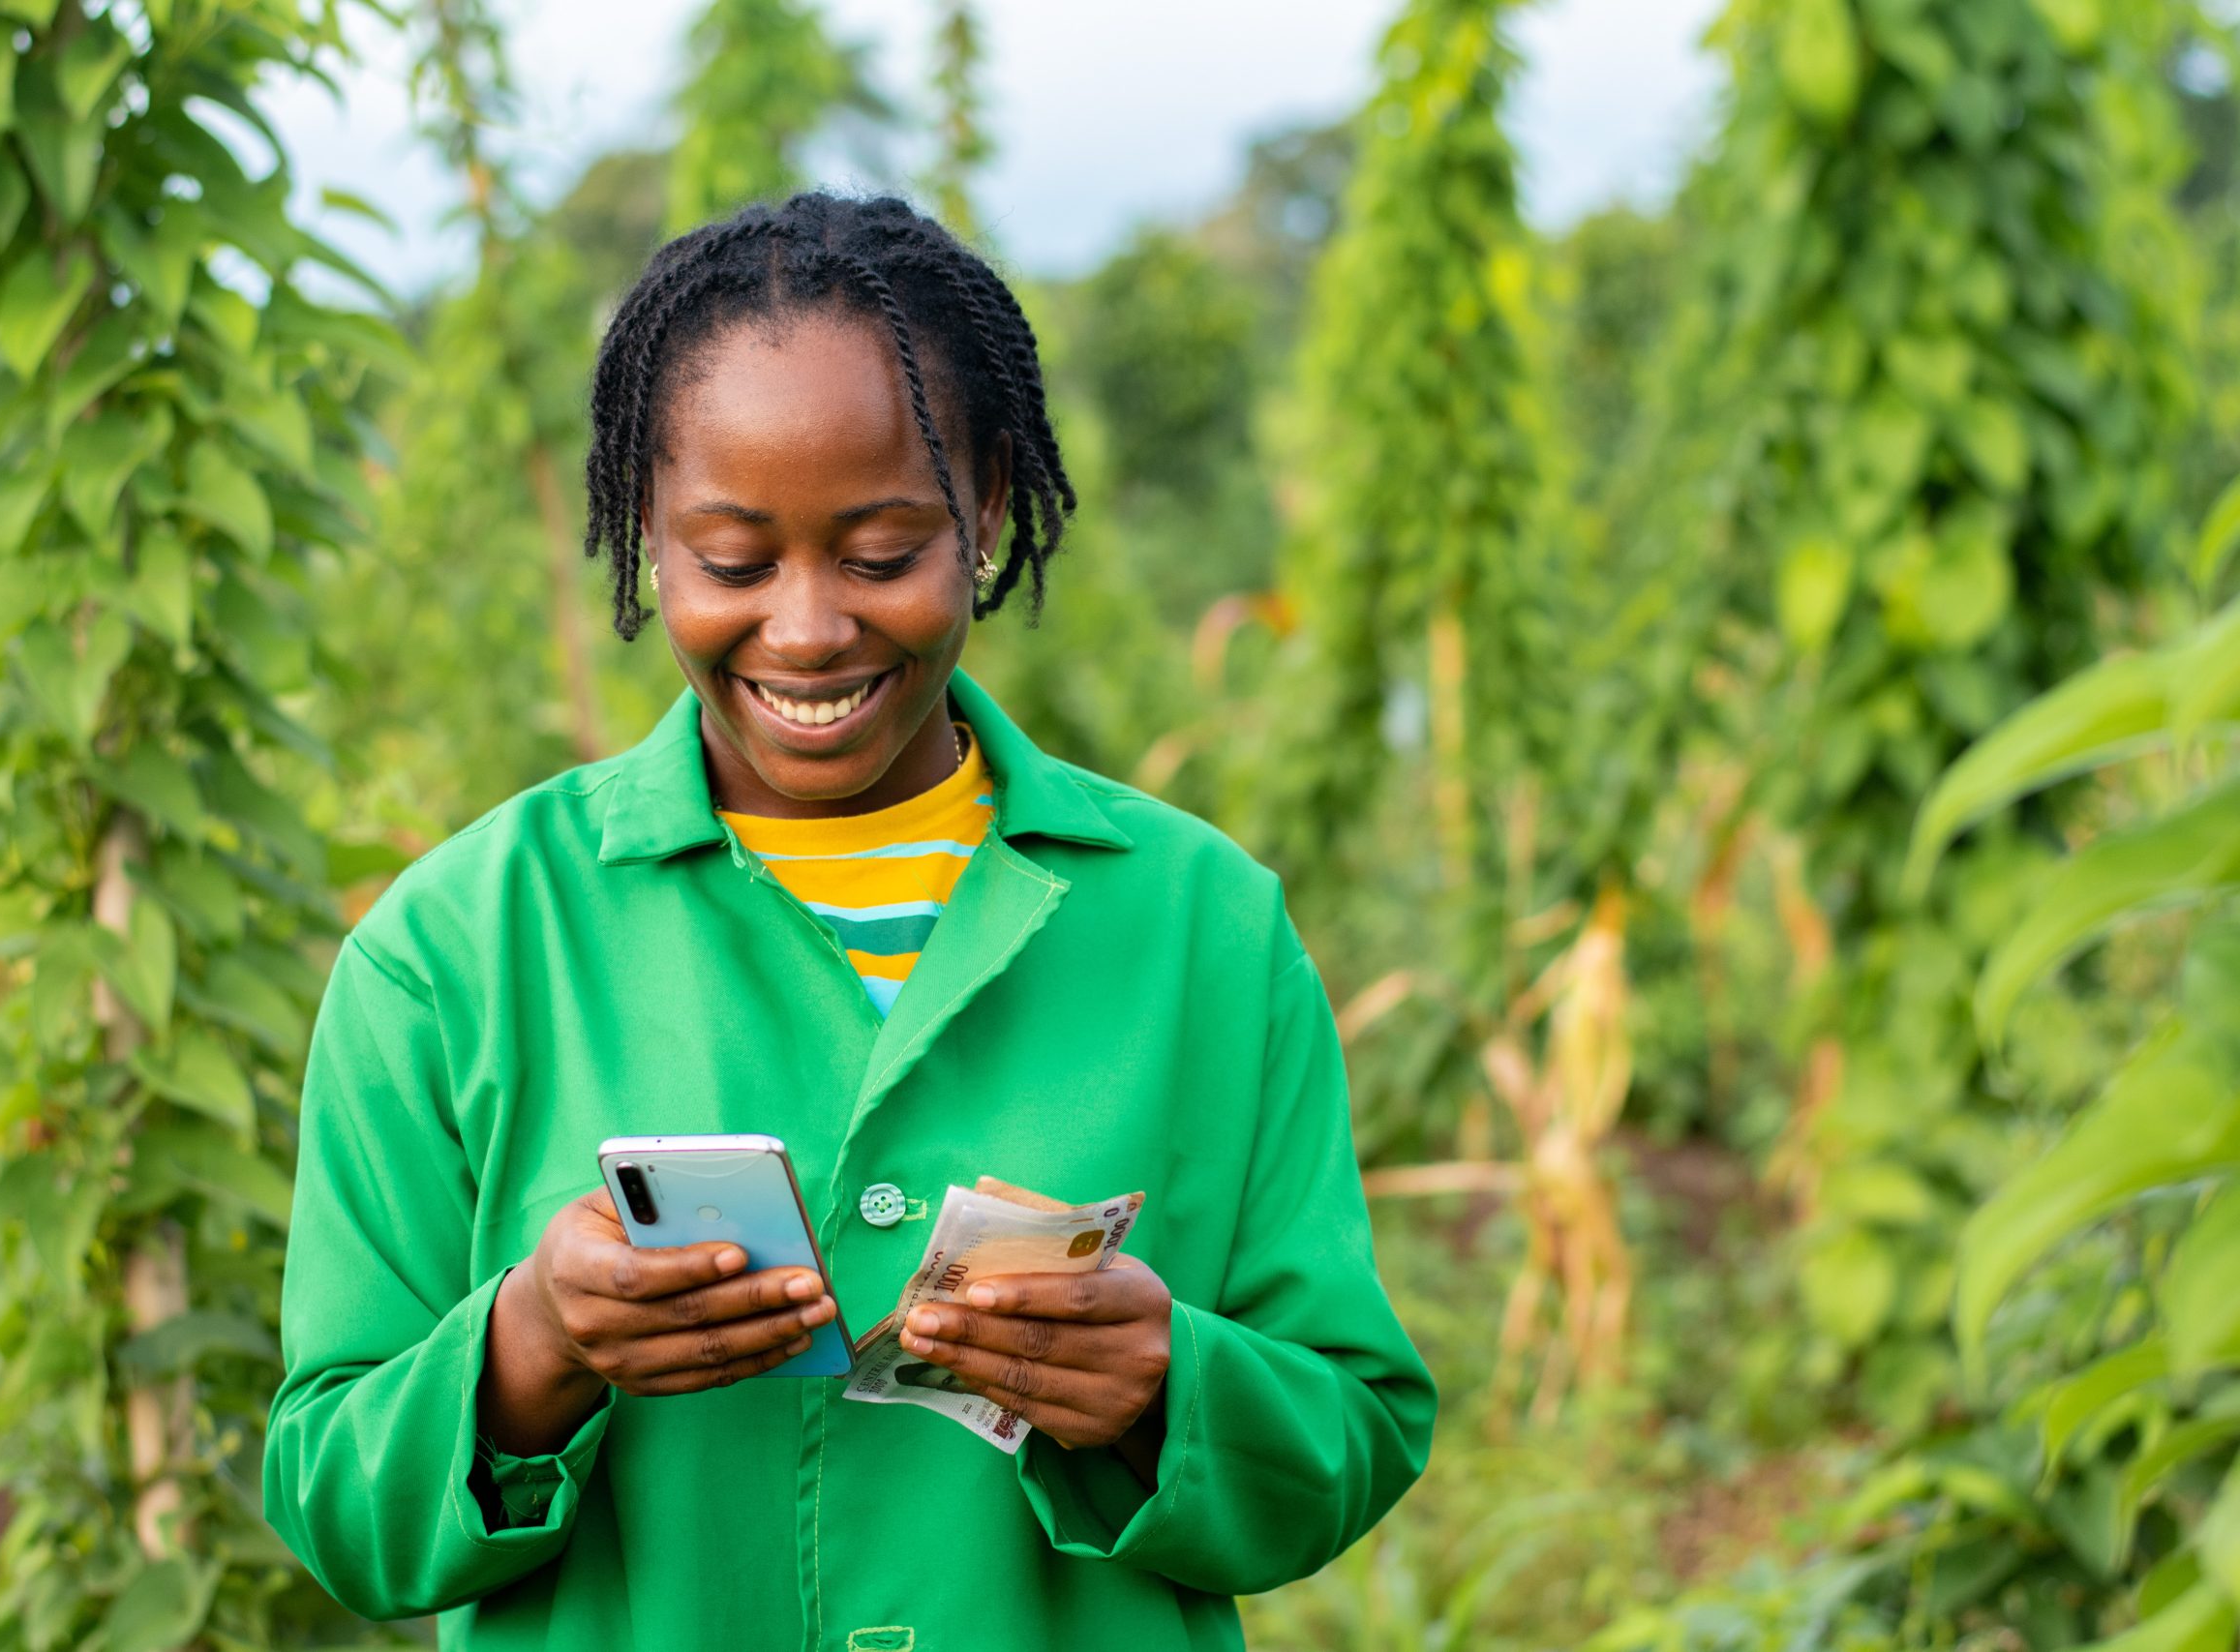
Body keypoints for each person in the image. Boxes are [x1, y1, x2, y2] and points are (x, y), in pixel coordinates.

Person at [264, 192, 1436, 1652]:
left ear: (991, 510)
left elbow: (1356, 1425)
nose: (809, 628)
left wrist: (1164, 1386)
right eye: (734, 561)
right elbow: (330, 1494)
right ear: (644, 534)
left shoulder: (1201, 927)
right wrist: (535, 1346)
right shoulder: (458, 952)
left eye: (882, 554)